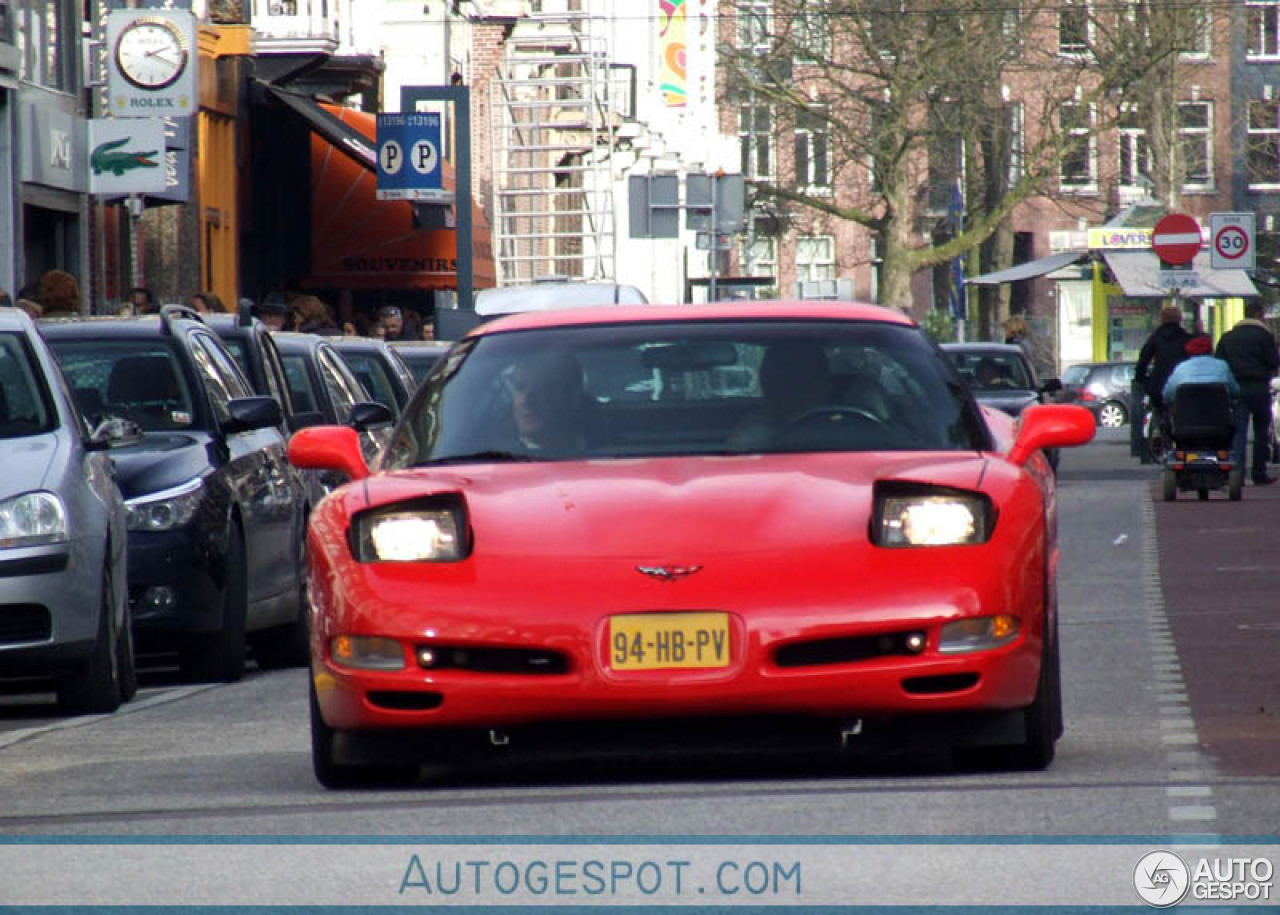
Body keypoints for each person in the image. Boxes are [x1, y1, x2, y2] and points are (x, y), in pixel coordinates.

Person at [1215, 301, 1280, 486]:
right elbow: (1274, 362)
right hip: (1259, 387)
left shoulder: (1228, 337)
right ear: (1260, 315)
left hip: (1236, 388)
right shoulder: (1265, 336)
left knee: (1239, 432)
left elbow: (1219, 362)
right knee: (1261, 432)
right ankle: (1259, 473)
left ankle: (1238, 475)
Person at [730, 341, 835, 448]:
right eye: (788, 377)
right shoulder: (754, 434)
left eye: (807, 377)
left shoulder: (845, 428)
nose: (795, 386)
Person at [506, 351, 590, 454]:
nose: (526, 401)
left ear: (572, 397)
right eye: (519, 388)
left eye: (540, 390)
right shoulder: (491, 453)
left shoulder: (608, 447)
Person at [1135, 305, 1192, 422]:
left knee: (1158, 408)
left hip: (1159, 382)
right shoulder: (1187, 338)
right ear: (1180, 319)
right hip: (1182, 383)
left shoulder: (1156, 337)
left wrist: (1141, 378)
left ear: (1161, 319)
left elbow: (1143, 359)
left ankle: (1158, 427)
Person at [1162, 334, 1239, 406]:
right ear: (1211, 350)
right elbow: (1235, 391)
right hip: (1217, 416)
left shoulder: (1181, 368)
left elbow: (1167, 394)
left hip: (1187, 416)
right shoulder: (1222, 366)